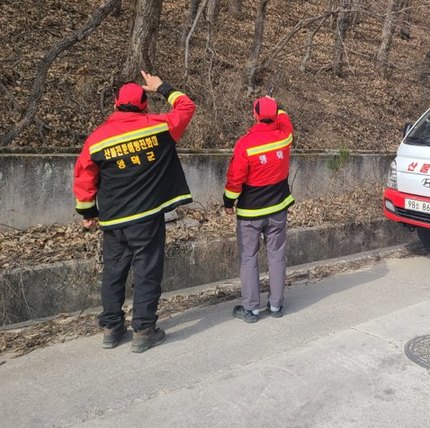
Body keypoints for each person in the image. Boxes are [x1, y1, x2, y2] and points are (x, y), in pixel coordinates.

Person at [73, 70, 196, 352]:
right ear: (145, 104)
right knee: (147, 273)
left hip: (113, 219)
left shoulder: (97, 139)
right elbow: (187, 107)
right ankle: (143, 330)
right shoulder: (158, 126)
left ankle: (112, 328)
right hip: (147, 218)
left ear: (115, 104)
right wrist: (161, 87)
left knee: (113, 272)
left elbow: (83, 175)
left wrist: (87, 212)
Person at [223, 96, 294, 323]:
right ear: (275, 116)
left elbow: (235, 179)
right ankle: (275, 306)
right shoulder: (284, 138)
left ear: (254, 115)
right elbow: (286, 122)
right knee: (276, 256)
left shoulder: (245, 144)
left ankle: (251, 309)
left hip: (251, 214)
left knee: (248, 258)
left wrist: (228, 202)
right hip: (278, 210)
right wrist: (278, 106)